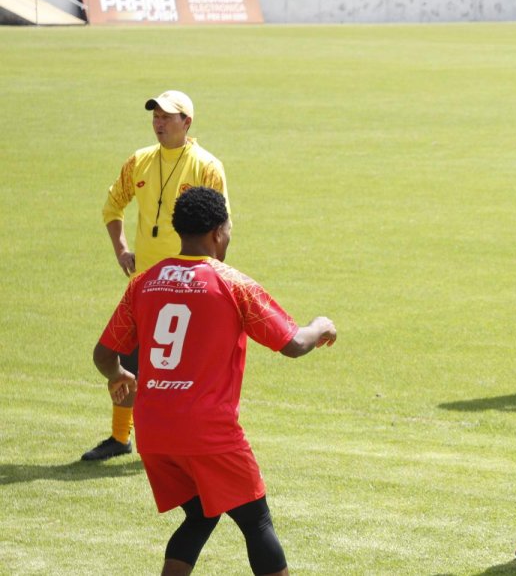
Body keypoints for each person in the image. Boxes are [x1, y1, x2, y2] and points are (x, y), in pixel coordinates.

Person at [92, 186, 337, 576]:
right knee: (256, 521)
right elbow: (293, 344)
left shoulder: (144, 283)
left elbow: (104, 354)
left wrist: (118, 375)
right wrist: (320, 325)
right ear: (217, 232)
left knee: (201, 515)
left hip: (154, 430)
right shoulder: (233, 284)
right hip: (207, 431)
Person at [83, 90, 229, 462]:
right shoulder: (139, 162)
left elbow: (222, 226)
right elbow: (112, 205)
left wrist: (215, 273)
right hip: (145, 283)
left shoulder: (207, 166)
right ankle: (120, 437)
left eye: (167, 116)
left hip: (189, 285)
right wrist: (121, 250)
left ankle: (184, 440)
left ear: (187, 123)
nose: (159, 122)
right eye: (156, 115)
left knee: (182, 367)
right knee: (125, 357)